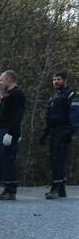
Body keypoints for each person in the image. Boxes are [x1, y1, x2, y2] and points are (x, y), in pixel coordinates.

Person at [40, 71, 77, 199]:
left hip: (63, 130)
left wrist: (70, 130)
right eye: (54, 79)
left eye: (58, 79)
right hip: (53, 131)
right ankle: (61, 189)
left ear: (65, 80)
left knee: (58, 159)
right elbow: (49, 116)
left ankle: (55, 188)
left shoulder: (71, 94)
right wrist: (45, 133)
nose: (56, 81)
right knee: (53, 159)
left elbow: (75, 113)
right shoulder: (54, 96)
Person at [0, 70, 25, 200]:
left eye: (2, 80)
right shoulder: (8, 95)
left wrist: (11, 133)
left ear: (9, 80)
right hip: (2, 130)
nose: (1, 83)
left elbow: (17, 116)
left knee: (9, 160)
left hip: (9, 130)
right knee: (3, 160)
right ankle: (6, 188)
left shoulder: (17, 94)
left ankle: (11, 190)